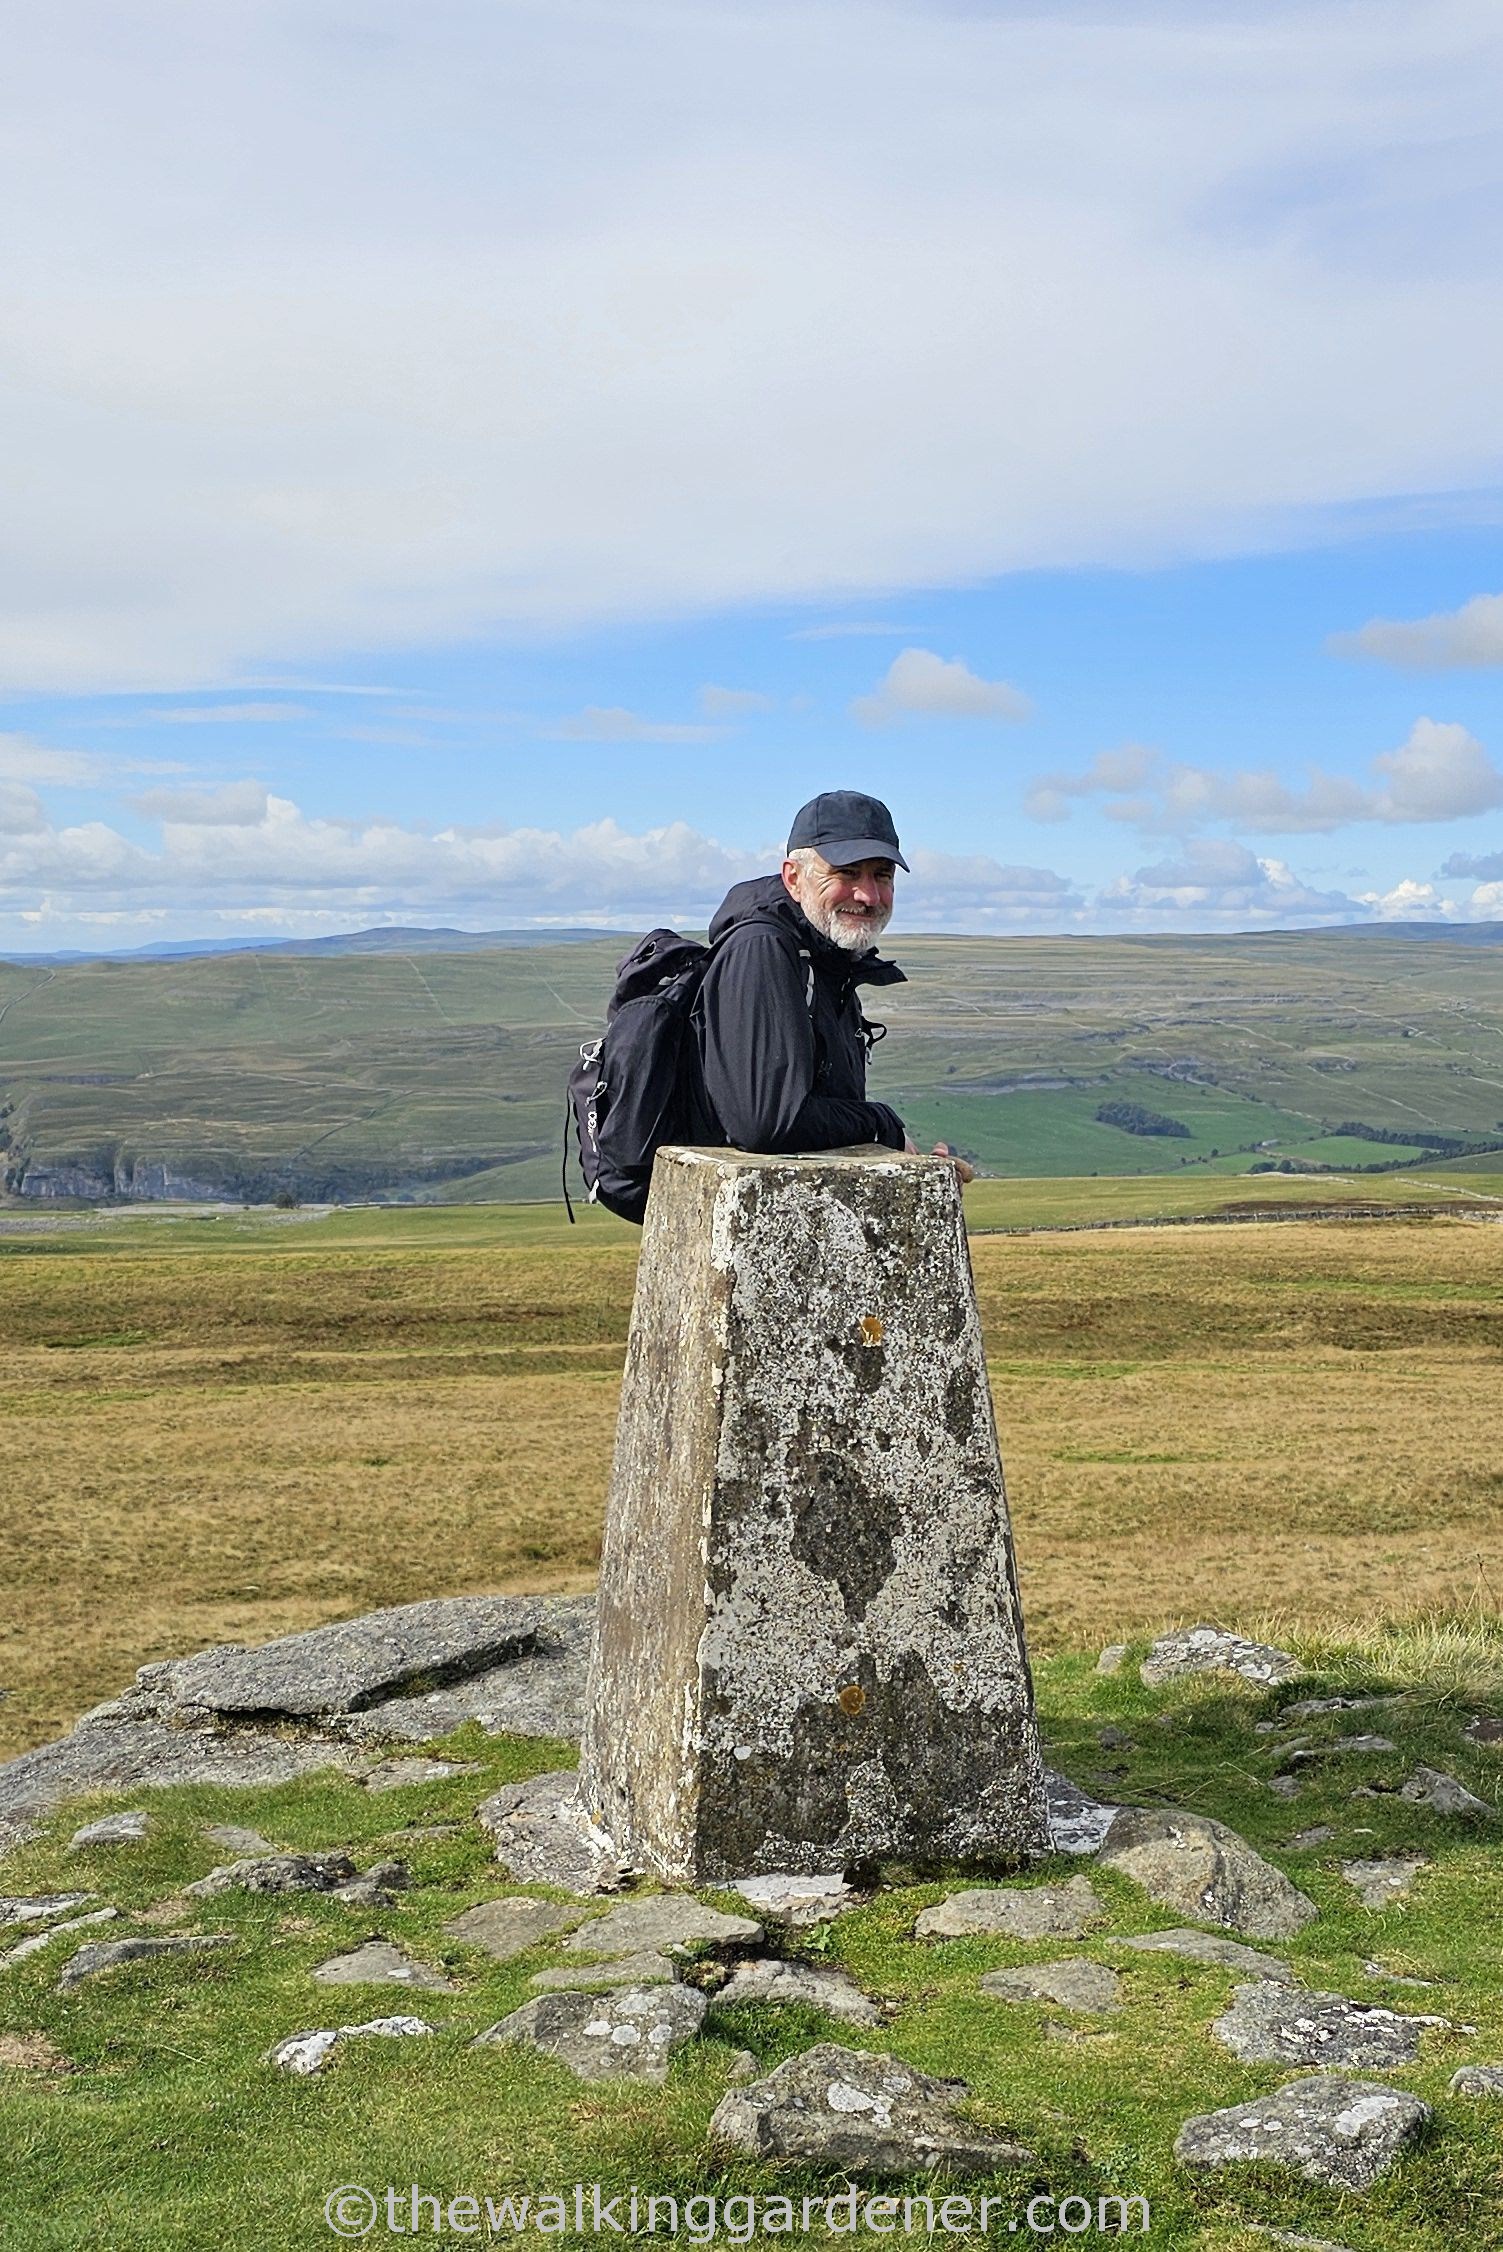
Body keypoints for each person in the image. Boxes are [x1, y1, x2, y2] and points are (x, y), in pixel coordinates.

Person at [693, 789, 973, 1178]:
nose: (868, 895)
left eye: (882, 874)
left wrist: (909, 1170)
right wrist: (882, 1126)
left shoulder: (829, 959)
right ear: (794, 877)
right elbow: (766, 1122)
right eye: (847, 872)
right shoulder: (763, 948)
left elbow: (818, 1122)